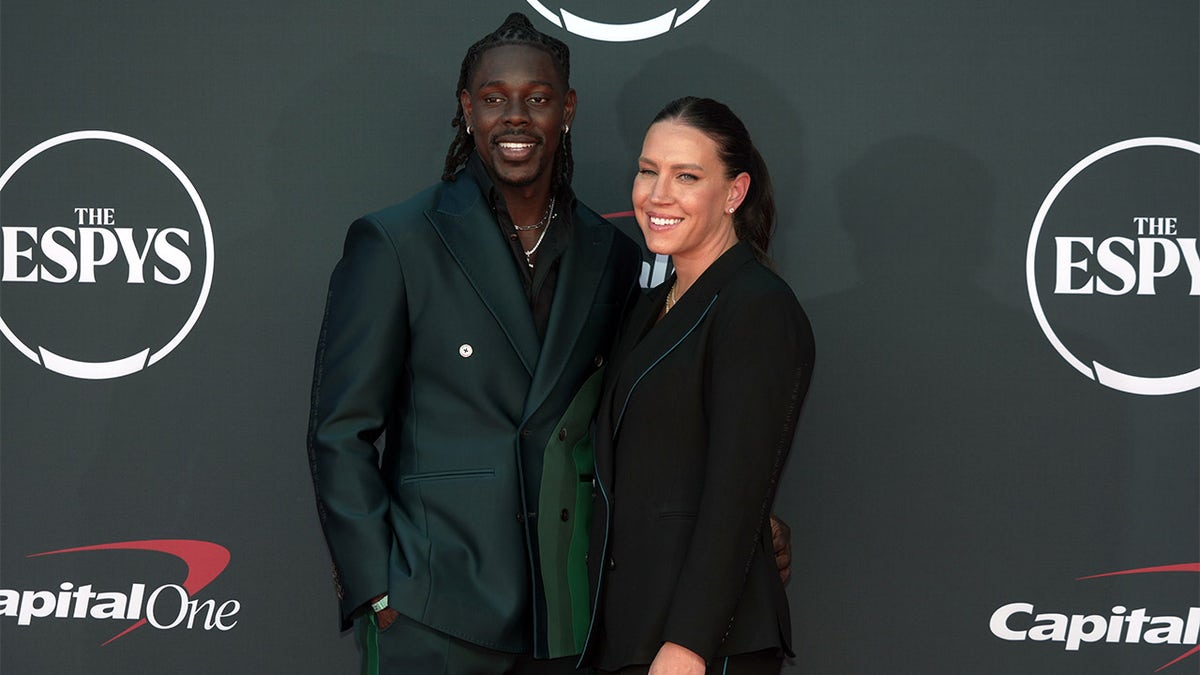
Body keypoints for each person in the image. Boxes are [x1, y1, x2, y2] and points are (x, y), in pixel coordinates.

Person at [308, 14, 792, 674]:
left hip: (572, 611)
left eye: (536, 99)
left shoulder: (617, 256)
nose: (515, 118)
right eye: (492, 98)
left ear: (565, 109)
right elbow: (340, 429)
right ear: (466, 108)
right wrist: (374, 583)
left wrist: (743, 530)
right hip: (432, 606)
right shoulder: (396, 243)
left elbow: (663, 415)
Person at [580, 97, 815, 675]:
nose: (658, 195)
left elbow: (737, 495)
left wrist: (688, 645)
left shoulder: (757, 308)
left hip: (701, 647)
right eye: (648, 170)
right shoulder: (648, 305)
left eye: (687, 176)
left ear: (734, 193)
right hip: (631, 630)